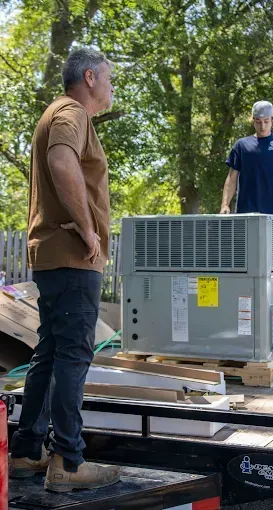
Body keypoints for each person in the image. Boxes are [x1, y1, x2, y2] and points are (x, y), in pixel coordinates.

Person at [9, 48, 121, 493]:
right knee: (74, 356)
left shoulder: (61, 114)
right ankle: (68, 464)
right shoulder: (71, 113)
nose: (112, 87)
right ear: (89, 77)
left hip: (54, 257)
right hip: (73, 258)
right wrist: (90, 233)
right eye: (109, 79)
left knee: (51, 353)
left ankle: (27, 451)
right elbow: (61, 161)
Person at [220, 100, 273, 216]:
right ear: (253, 121)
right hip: (247, 212)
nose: (262, 126)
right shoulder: (241, 145)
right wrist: (225, 205)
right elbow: (231, 179)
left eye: (266, 121)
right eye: (258, 121)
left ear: (272, 121)